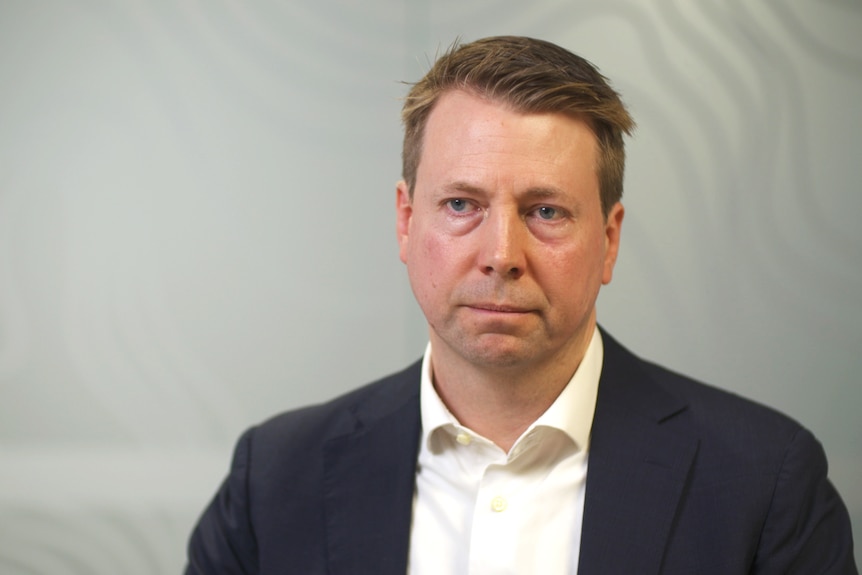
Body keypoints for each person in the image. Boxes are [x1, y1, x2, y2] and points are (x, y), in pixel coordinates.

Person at [184, 36, 857, 574]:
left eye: (545, 210)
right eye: (460, 204)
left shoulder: (765, 484)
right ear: (404, 220)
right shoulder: (271, 480)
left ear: (611, 240)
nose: (502, 252)